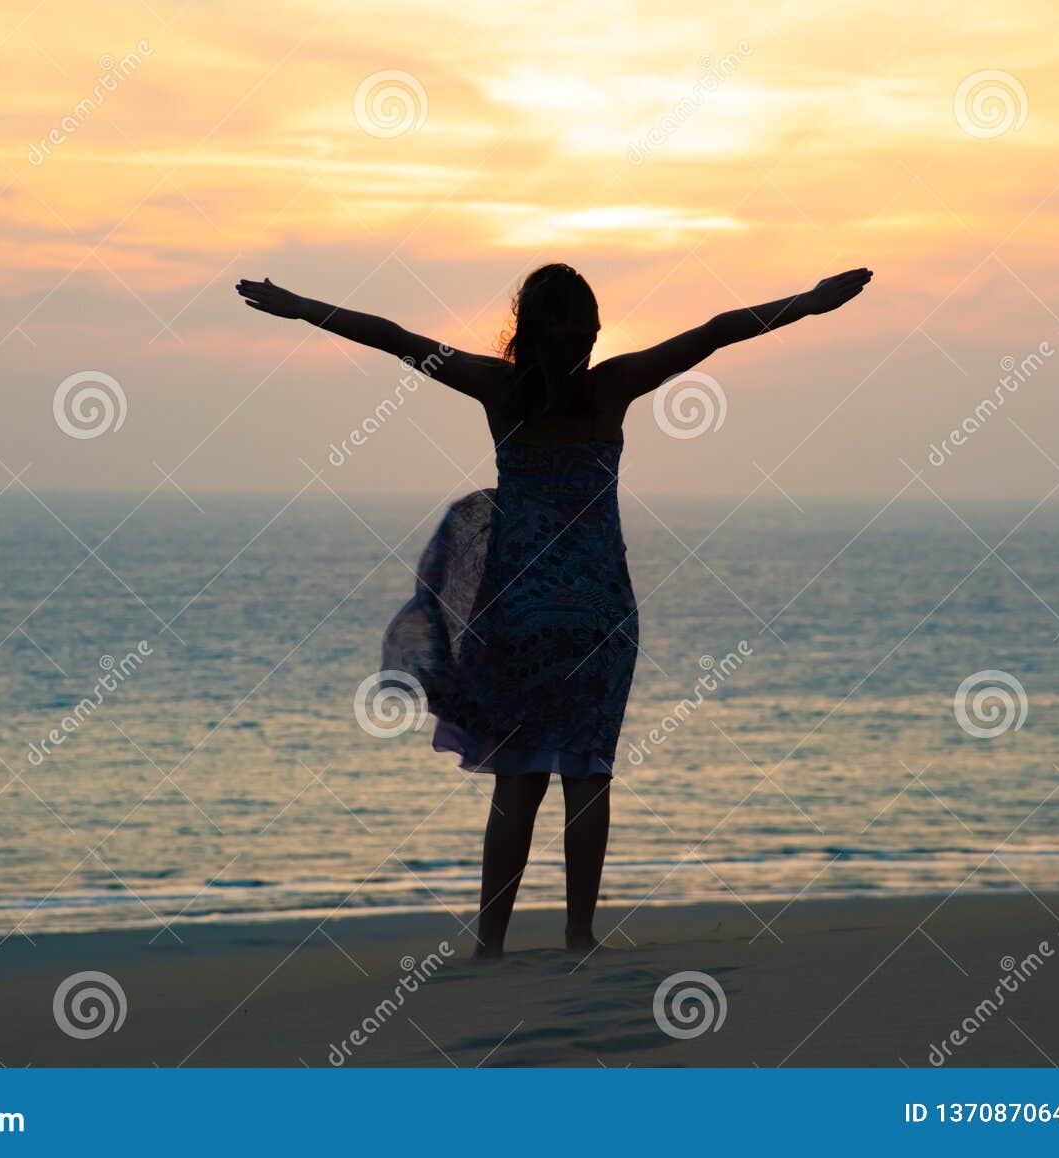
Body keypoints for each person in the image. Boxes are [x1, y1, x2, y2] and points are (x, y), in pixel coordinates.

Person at [237, 263, 873, 957]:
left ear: (524, 330)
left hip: (519, 614)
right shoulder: (611, 387)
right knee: (588, 772)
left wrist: (302, 306)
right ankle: (579, 934)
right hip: (600, 613)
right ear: (590, 334)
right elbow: (717, 332)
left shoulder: (498, 388)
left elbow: (393, 337)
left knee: (519, 777)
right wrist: (808, 303)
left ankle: (491, 944)